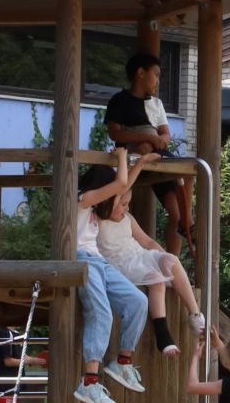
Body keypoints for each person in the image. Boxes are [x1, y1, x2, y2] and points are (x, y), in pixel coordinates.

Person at [85, 149, 208, 353]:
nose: (125, 207)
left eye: (128, 204)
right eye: (123, 203)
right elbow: (118, 191)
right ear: (109, 202)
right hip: (121, 265)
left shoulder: (128, 219)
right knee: (156, 279)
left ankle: (195, 314)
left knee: (171, 261)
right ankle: (163, 334)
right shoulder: (100, 220)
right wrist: (139, 164)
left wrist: (163, 258)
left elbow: (148, 242)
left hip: (138, 258)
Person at [68, 161, 153, 403]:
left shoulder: (98, 208)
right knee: (101, 312)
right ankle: (89, 381)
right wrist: (122, 156)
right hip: (82, 259)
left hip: (99, 262)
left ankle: (122, 361)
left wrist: (140, 163)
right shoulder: (82, 200)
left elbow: (124, 188)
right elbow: (120, 185)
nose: (116, 201)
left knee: (138, 301)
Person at [104, 50, 195, 250]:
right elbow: (115, 133)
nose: (158, 81)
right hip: (136, 157)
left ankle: (185, 225)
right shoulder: (120, 100)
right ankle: (187, 225)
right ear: (141, 73)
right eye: (156, 75)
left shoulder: (157, 104)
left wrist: (158, 140)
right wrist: (147, 138)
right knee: (151, 152)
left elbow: (165, 133)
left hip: (158, 156)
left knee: (187, 177)